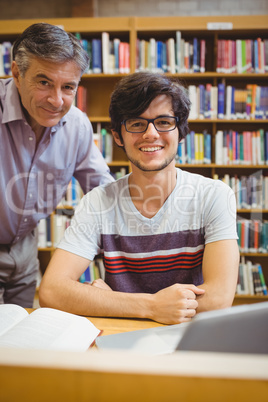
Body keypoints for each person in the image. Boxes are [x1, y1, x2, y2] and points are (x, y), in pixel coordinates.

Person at [39, 72, 239, 325]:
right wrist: (152, 306)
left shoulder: (214, 195)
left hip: (188, 341)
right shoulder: (98, 202)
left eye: (164, 122)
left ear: (181, 131)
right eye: (136, 123)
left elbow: (219, 299)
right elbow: (52, 291)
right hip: (122, 338)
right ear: (118, 136)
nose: (151, 134)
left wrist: (112, 301)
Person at [0, 23, 114, 308]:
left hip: (25, 252)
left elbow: (103, 191)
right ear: (16, 73)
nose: (56, 100)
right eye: (43, 82)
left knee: (19, 343)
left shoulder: (77, 125)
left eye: (68, 87)